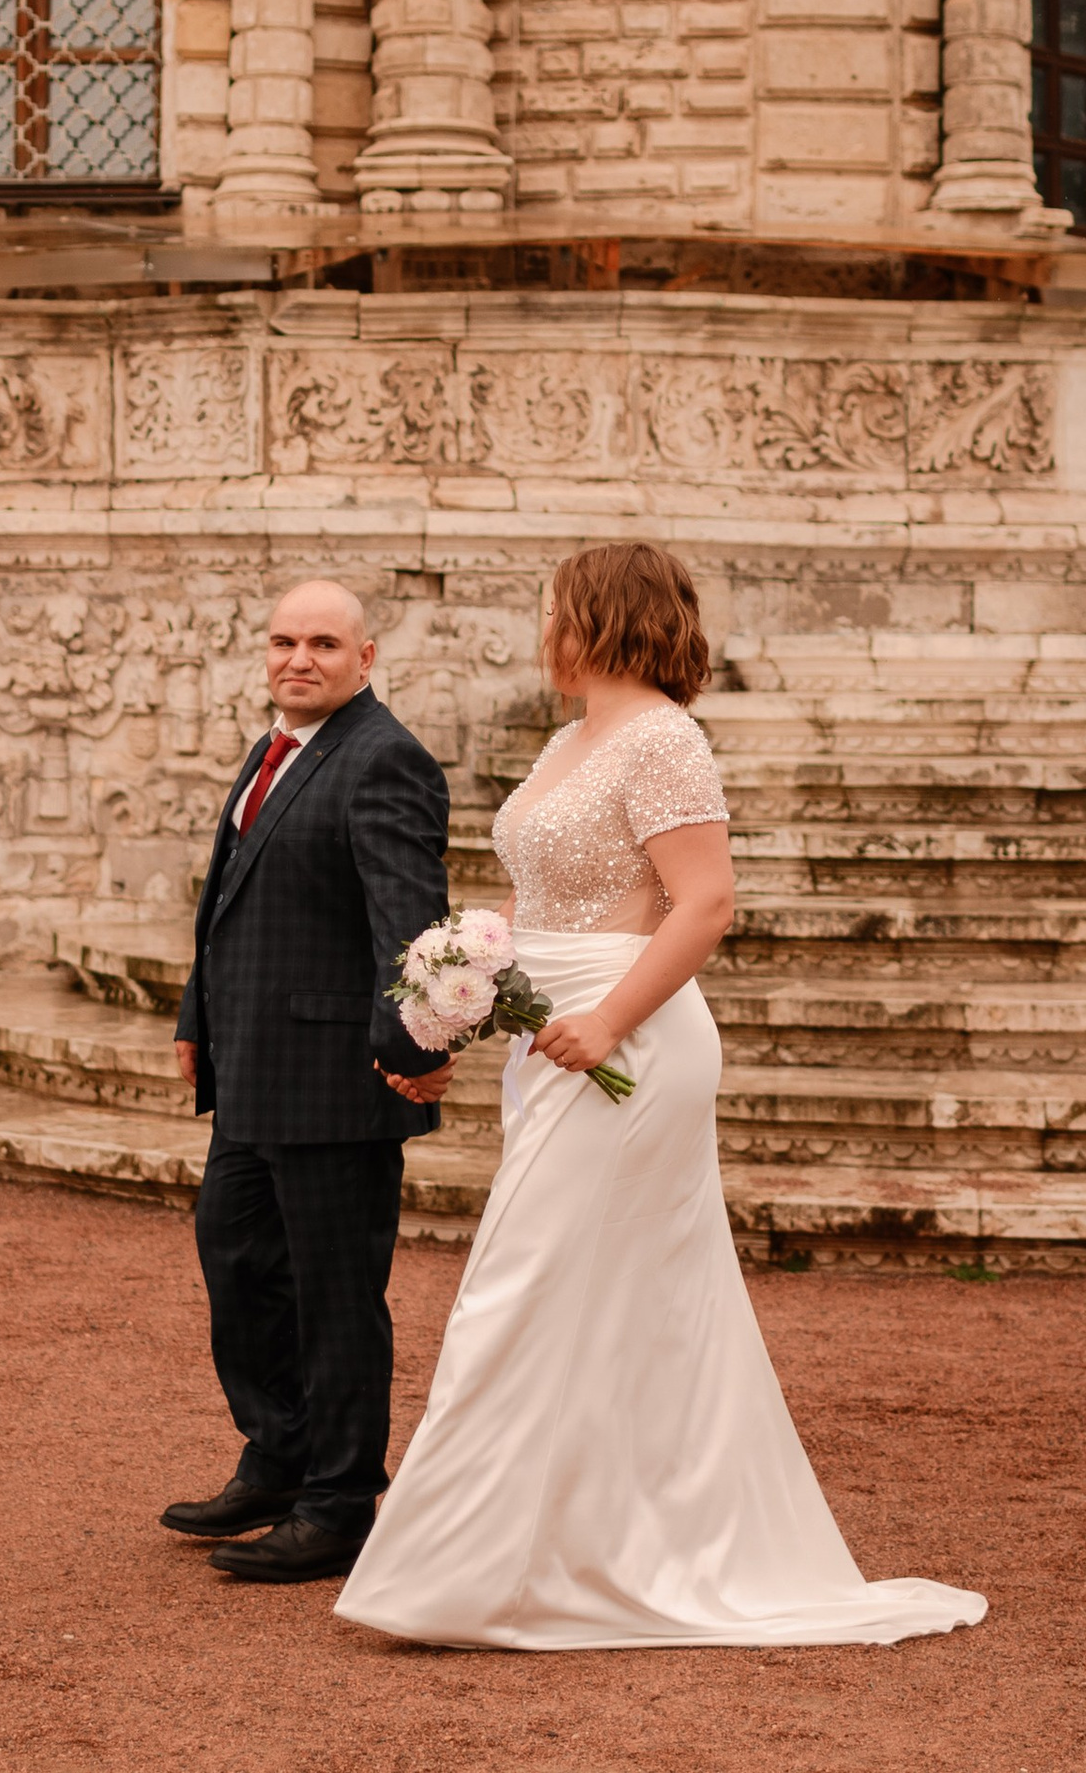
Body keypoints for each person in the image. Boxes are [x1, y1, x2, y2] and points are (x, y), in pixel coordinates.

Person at [335, 541, 986, 1650]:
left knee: (519, 1289)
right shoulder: (568, 736)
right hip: (552, 1037)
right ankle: (561, 1545)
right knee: (591, 1304)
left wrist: (609, 1019)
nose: (543, 625)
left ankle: (463, 1567)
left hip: (626, 1044)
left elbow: (704, 901)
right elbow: (532, 898)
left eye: (555, 606)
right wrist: (460, 1004)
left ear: (596, 615)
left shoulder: (664, 738)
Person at [161, 579, 455, 1585]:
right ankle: (277, 1456)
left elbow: (411, 928)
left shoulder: (386, 760)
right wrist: (198, 1020)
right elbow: (230, 903)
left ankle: (338, 1503)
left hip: (335, 1081)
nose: (300, 657)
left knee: (334, 1298)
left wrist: (409, 1052)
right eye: (285, 640)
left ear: (364, 658)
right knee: (236, 1263)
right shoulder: (278, 747)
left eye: (323, 642)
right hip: (250, 1070)